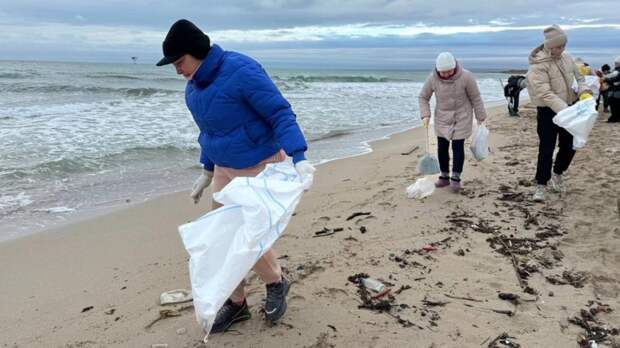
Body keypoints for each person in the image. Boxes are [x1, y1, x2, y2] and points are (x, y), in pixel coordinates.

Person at [156, 19, 315, 333]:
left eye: (179, 62)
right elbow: (211, 133)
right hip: (224, 170)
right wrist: (206, 171)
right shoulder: (194, 90)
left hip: (259, 166)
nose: (177, 70)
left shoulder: (241, 70)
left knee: (248, 237)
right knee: (221, 239)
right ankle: (237, 303)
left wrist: (299, 156)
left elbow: (279, 113)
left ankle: (276, 282)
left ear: (196, 52)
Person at [526, 25, 590, 202]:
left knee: (570, 145)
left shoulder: (567, 59)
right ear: (549, 45)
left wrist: (584, 92)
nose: (562, 49)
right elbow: (545, 93)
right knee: (546, 148)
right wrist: (566, 110)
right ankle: (541, 185)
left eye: (564, 45)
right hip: (548, 112)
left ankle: (558, 173)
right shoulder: (537, 65)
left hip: (570, 108)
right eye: (558, 46)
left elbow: (580, 78)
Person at [419, 52, 488, 193]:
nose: (445, 74)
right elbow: (423, 97)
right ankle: (444, 176)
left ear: (454, 66)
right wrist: (425, 115)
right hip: (442, 117)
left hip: (462, 116)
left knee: (457, 147)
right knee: (442, 147)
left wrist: (481, 116)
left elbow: (475, 97)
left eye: (448, 71)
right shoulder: (432, 78)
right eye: (442, 72)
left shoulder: (466, 76)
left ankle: (456, 177)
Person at [603, 56, 620, 123]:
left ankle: (614, 118)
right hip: (615, 89)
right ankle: (615, 118)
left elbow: (616, 79)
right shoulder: (615, 70)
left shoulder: (617, 71)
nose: (615, 64)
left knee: (614, 104)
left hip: (617, 90)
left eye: (616, 63)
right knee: (615, 104)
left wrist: (606, 79)